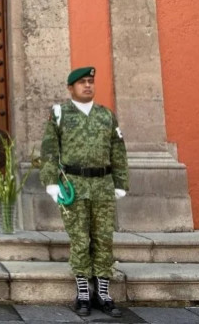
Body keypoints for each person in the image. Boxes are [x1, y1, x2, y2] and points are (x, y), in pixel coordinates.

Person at [39, 66, 128, 318]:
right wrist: (51, 182)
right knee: (79, 239)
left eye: (90, 81)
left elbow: (118, 150)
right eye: (82, 83)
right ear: (71, 88)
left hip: (102, 185)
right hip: (73, 184)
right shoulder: (60, 114)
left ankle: (103, 293)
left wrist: (120, 182)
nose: (87, 85)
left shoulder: (106, 116)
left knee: (103, 238)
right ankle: (82, 293)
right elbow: (49, 149)